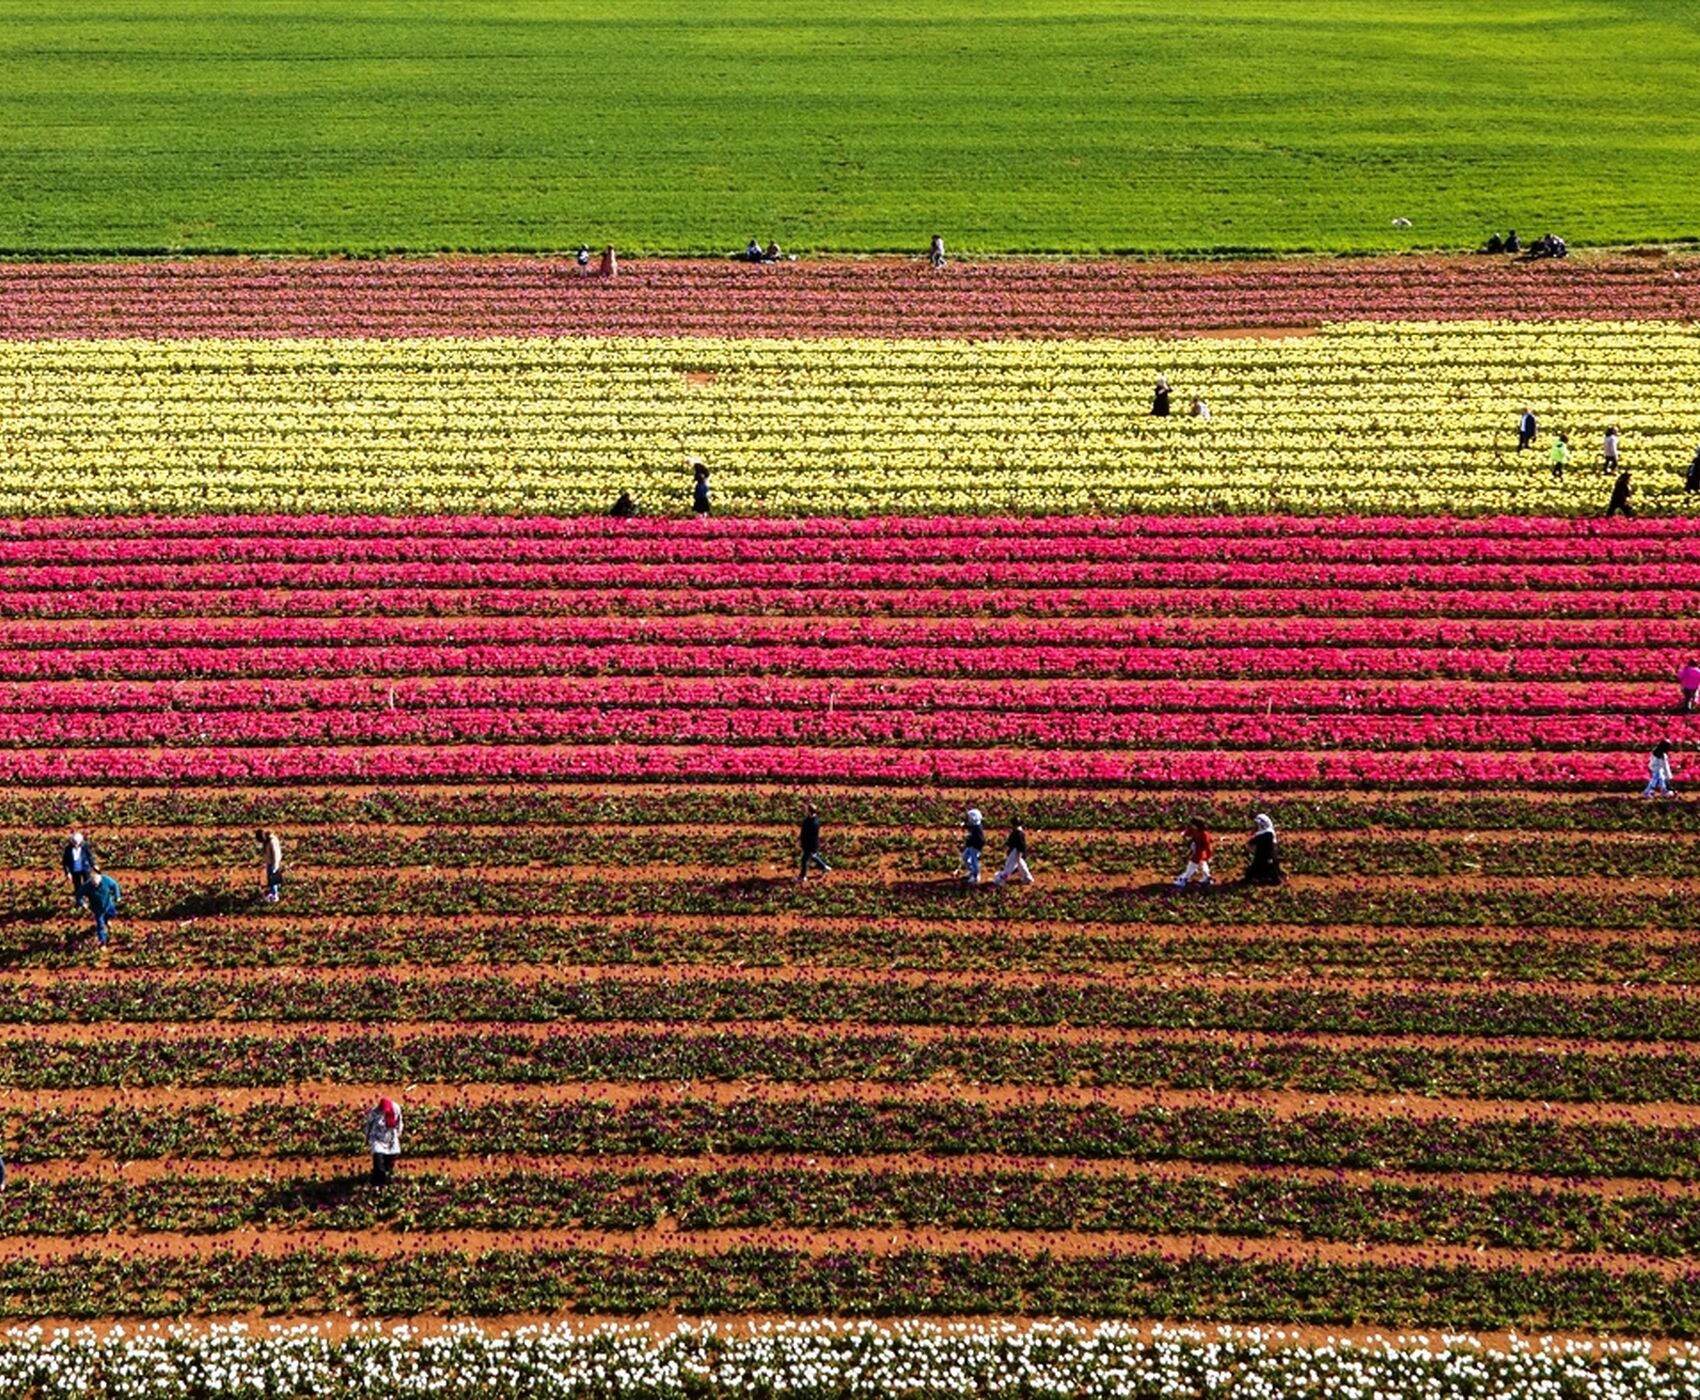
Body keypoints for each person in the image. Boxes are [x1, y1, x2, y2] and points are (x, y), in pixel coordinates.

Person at [364, 1097, 403, 1185]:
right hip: (377, 1137)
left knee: (392, 1156)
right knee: (378, 1158)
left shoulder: (396, 1109)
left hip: (390, 1136)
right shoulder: (374, 1113)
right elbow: (368, 1126)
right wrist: (367, 1138)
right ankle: (378, 1181)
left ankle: (385, 1175)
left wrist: (398, 1133)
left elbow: (399, 1122)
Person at [81, 868, 120, 949]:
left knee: (112, 914)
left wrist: (117, 896)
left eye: (97, 884)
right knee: (100, 926)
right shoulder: (87, 886)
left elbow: (115, 885)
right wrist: (82, 903)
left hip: (108, 904)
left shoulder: (106, 880)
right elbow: (78, 895)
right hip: (97, 909)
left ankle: (107, 920)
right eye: (93, 884)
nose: (95, 885)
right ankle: (103, 943)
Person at [1244, 813, 1284, 886]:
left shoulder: (1267, 834)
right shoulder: (1267, 833)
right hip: (1263, 856)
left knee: (1270, 870)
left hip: (1267, 857)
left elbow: (1254, 842)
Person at [1173, 820, 1213, 888]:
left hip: (1199, 854)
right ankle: (1207, 878)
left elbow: (1208, 847)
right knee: (1202, 865)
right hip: (1197, 852)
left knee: (1191, 867)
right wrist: (1184, 833)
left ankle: (1183, 880)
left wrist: (1209, 855)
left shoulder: (1204, 834)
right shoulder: (1196, 830)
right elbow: (1190, 831)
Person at [61, 831, 95, 909]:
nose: (76, 844)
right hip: (75, 869)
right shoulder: (68, 849)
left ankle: (91, 901)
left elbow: (89, 856)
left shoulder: (85, 846)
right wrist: (68, 872)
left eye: (77, 842)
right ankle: (80, 902)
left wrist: (93, 865)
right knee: (77, 886)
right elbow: (65, 862)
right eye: (74, 842)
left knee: (88, 884)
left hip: (84, 868)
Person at [797, 801, 830, 882]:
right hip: (812, 844)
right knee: (813, 856)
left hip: (809, 844)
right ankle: (824, 867)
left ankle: (802, 876)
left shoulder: (810, 822)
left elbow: (808, 835)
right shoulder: (815, 820)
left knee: (804, 860)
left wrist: (803, 842)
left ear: (809, 811)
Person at [995, 821, 1033, 886]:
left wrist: (1019, 855)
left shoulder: (1019, 834)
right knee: (1021, 865)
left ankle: (1001, 879)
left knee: (1009, 867)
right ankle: (1028, 878)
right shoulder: (1016, 832)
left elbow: (1021, 846)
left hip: (1016, 852)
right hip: (1015, 851)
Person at [256, 828, 283, 903]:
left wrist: (275, 865)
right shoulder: (267, 841)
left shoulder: (272, 841)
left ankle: (275, 896)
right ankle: (272, 893)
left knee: (273, 880)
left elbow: (276, 854)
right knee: (270, 879)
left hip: (273, 863)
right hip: (269, 862)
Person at [961, 807, 986, 885]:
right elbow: (969, 827)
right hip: (971, 846)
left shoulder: (977, 829)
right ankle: (971, 871)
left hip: (975, 847)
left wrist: (977, 847)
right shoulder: (975, 826)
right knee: (965, 857)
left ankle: (975, 876)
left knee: (974, 861)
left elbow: (981, 840)